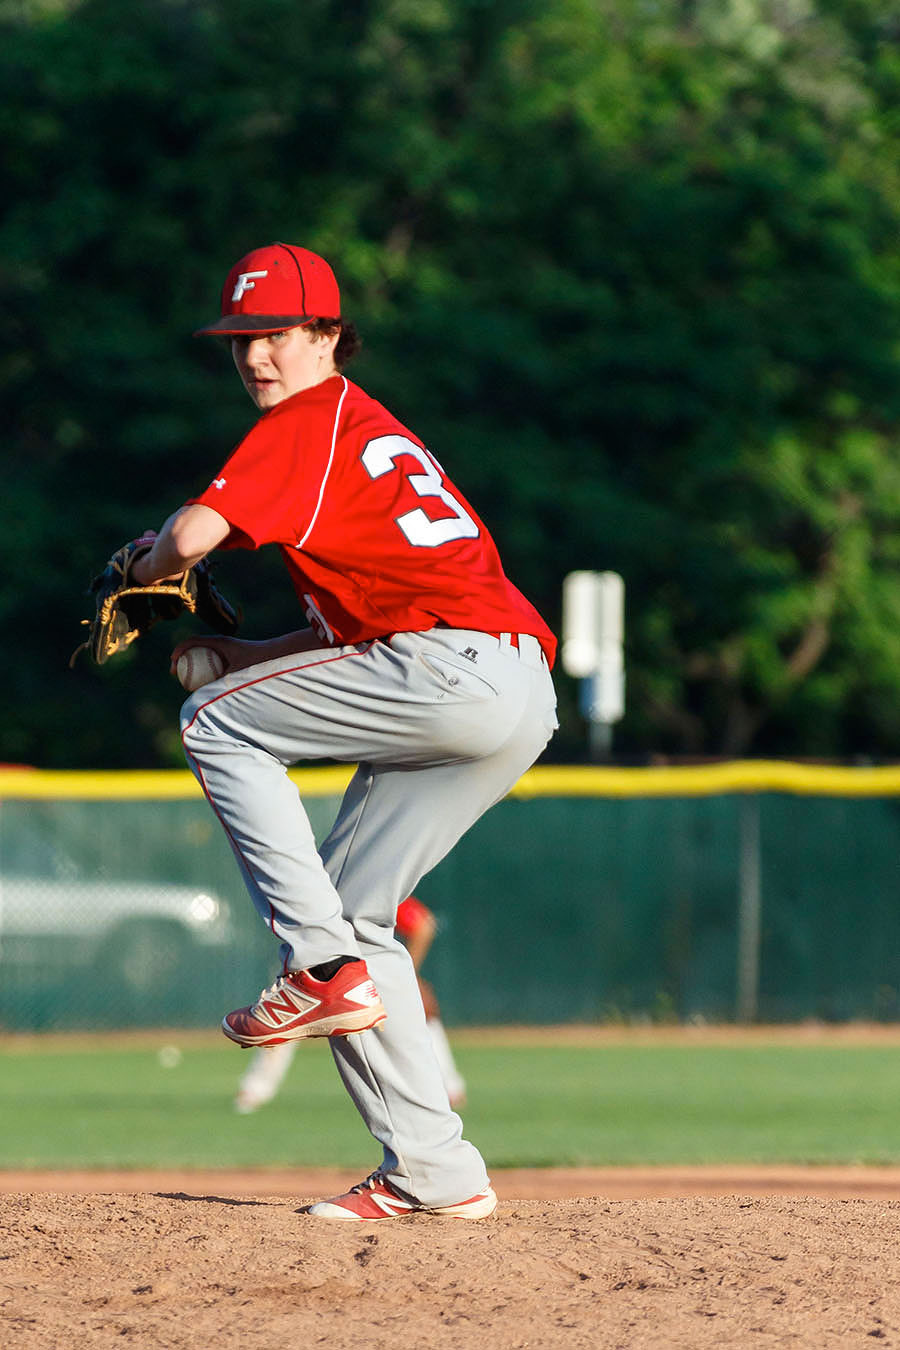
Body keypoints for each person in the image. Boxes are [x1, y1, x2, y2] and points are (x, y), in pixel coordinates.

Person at [128, 241, 558, 1221]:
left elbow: (188, 539)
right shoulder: (363, 434)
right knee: (364, 911)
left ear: (327, 335)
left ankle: (316, 967)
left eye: (276, 334)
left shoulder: (308, 418)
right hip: (514, 684)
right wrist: (242, 659)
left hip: (447, 665)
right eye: (241, 341)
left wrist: (144, 561)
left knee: (212, 726)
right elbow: (347, 636)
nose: (256, 358)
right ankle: (432, 1172)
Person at [234, 894, 467, 1114]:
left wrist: (408, 975)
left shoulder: (361, 884)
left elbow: (422, 926)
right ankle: (256, 1088)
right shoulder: (328, 885)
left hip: (364, 969)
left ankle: (449, 1085)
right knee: (286, 1015)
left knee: (421, 1012)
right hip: (324, 964)